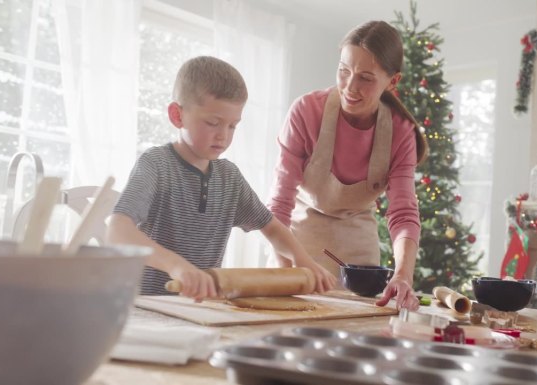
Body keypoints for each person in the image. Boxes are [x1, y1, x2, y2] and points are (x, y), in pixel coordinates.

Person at [107, 56, 337, 300]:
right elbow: (117, 231)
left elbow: (272, 228)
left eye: (232, 126)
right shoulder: (157, 165)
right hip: (149, 307)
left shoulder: (230, 178)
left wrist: (303, 260)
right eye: (213, 123)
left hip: (200, 308)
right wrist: (178, 267)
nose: (223, 137)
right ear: (177, 115)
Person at [267, 21, 427, 310]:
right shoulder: (306, 111)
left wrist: (403, 275)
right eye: (344, 71)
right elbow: (280, 204)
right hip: (297, 238)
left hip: (359, 247)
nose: (350, 87)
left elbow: (403, 213)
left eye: (366, 77)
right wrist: (283, 266)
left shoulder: (400, 131)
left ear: (392, 81)